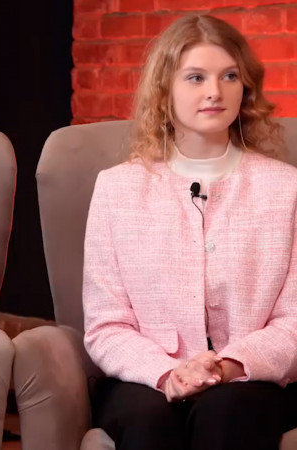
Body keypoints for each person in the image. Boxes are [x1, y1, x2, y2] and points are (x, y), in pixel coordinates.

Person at [83, 14, 297, 450]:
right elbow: (106, 324)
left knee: (226, 413)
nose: (215, 91)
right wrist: (168, 374)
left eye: (229, 76)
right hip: (145, 379)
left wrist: (228, 367)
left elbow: (293, 320)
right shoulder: (116, 189)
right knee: (150, 423)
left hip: (251, 383)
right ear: (165, 90)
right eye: (196, 77)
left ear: (245, 88)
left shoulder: (285, 188)